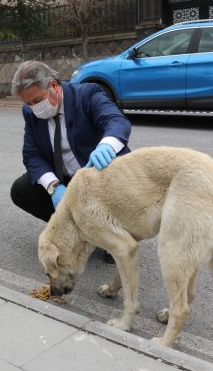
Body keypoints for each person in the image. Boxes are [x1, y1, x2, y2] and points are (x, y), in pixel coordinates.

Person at [9, 61, 132, 261]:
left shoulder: (87, 94)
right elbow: (31, 154)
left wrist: (106, 146)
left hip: (99, 173)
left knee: (119, 190)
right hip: (66, 178)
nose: (35, 108)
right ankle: (79, 231)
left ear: (54, 86)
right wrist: (53, 186)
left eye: (37, 100)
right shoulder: (30, 113)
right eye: (29, 104)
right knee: (21, 190)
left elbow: (116, 121)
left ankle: (114, 233)